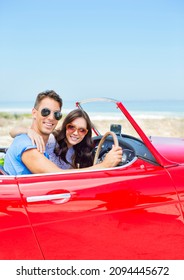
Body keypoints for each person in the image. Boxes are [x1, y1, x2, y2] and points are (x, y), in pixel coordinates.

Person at [4, 90, 123, 175]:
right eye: (45, 112)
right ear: (34, 113)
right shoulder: (27, 145)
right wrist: (104, 165)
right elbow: (58, 175)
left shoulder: (39, 142)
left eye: (56, 114)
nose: (51, 118)